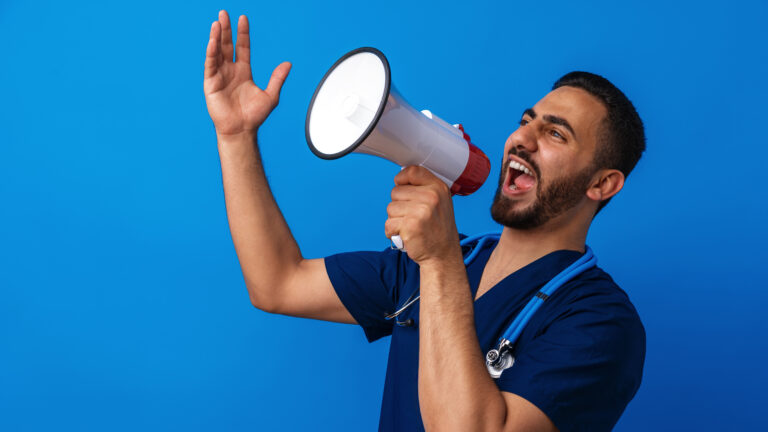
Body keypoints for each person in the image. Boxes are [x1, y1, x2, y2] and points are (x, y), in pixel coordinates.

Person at [204, 10, 646, 432]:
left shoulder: (600, 321)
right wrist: (236, 135)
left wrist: (438, 260)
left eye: (555, 133)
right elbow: (277, 283)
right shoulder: (440, 262)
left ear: (602, 184)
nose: (521, 139)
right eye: (525, 121)